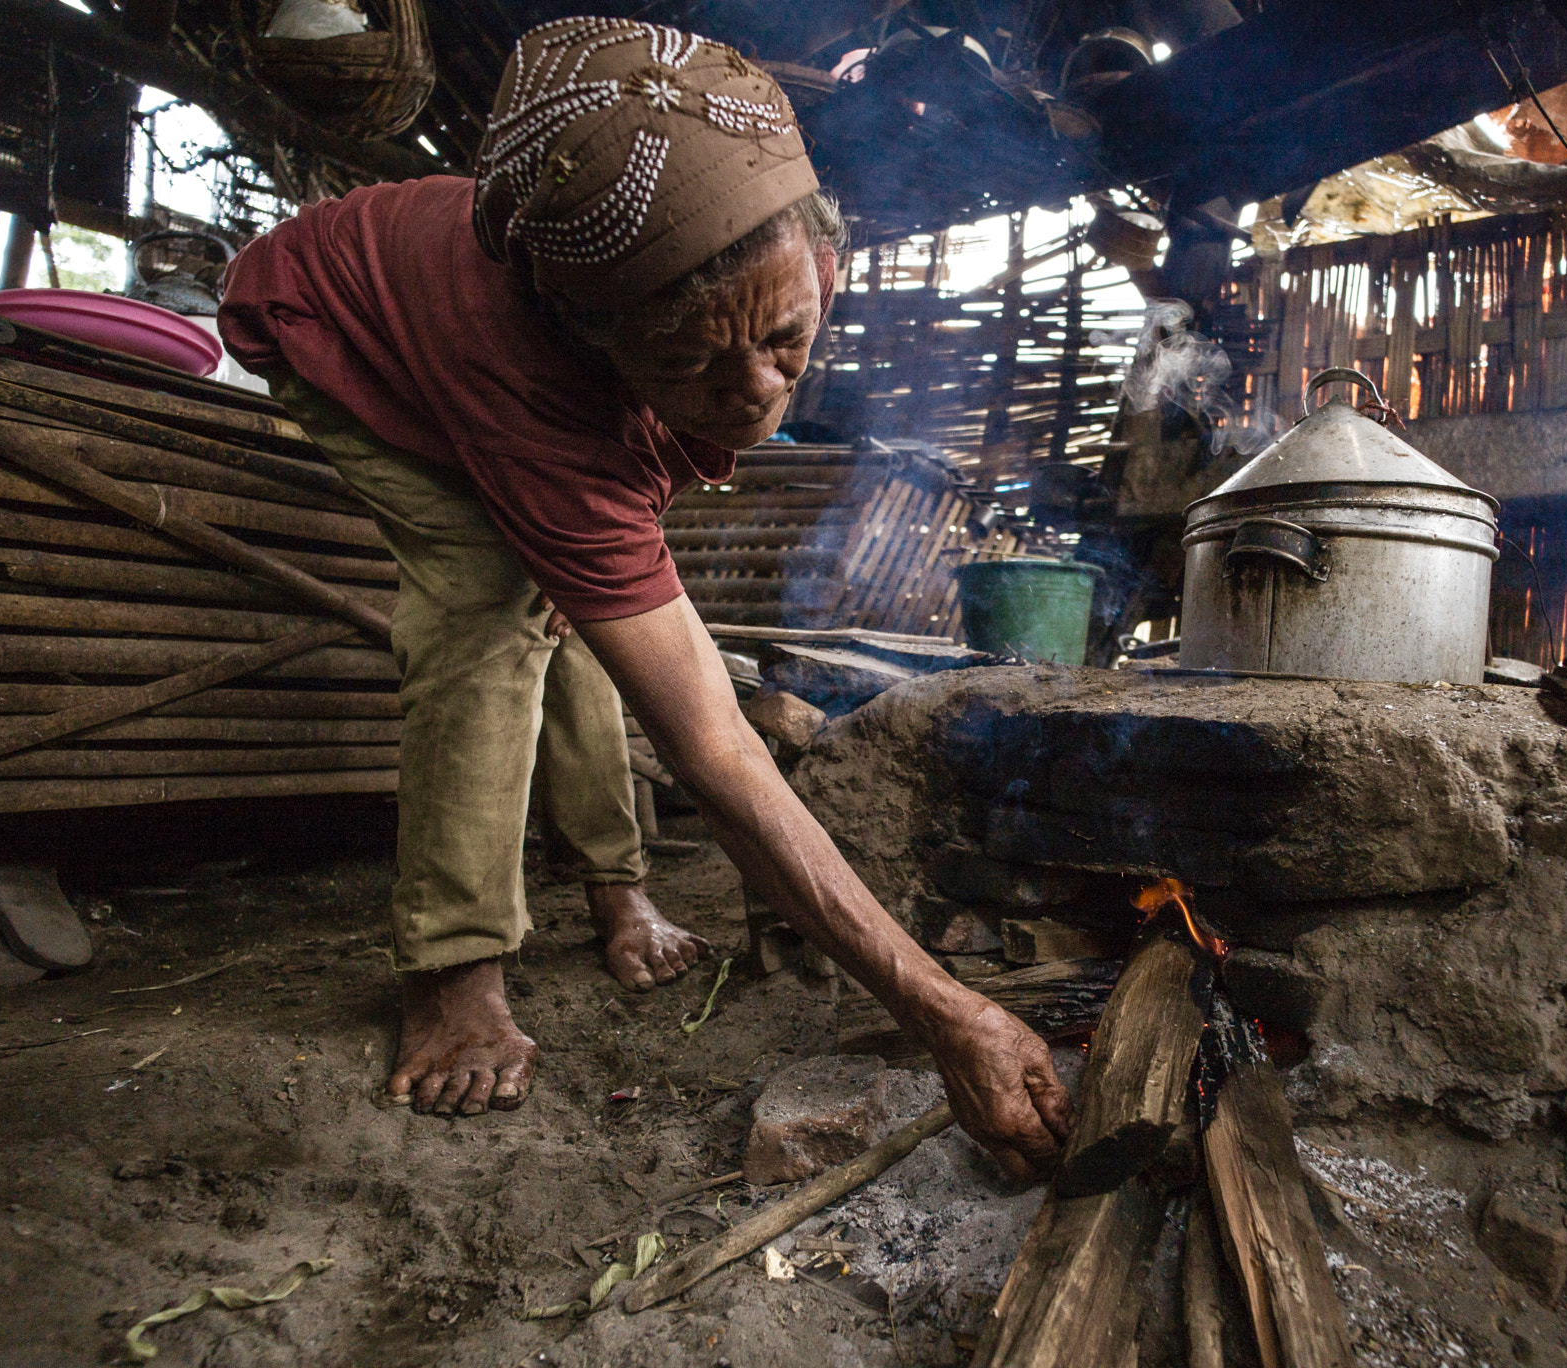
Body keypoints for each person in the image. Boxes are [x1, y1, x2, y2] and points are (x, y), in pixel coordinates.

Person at [217, 18, 1072, 1177]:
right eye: (694, 368)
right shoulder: (528, 378)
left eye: (784, 342)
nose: (760, 397)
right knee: (489, 609)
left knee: (577, 605)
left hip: (534, 365)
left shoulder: (796, 241)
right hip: (344, 327)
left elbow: (655, 493)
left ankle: (617, 892)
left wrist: (651, 467)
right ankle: (451, 968)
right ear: (594, 345)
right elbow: (713, 752)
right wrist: (946, 1011)